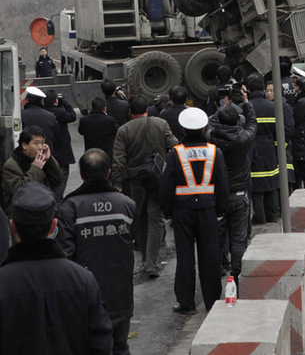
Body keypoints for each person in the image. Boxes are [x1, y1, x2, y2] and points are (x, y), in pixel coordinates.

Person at [0, 182, 113, 354]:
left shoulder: (3, 282)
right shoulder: (82, 280)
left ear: (13, 227)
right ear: (53, 226)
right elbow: (101, 344)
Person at [57, 149, 136, 355]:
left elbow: (65, 254)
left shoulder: (70, 207)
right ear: (109, 172)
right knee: (120, 346)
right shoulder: (126, 205)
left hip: (84, 296)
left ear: (81, 174)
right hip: (121, 293)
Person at [160, 107, 229, 314]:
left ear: (182, 130)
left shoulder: (175, 154)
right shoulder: (214, 151)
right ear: (205, 128)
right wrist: (221, 209)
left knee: (185, 256)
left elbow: (166, 185)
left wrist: (167, 210)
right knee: (210, 255)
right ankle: (212, 300)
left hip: (182, 211)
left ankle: (186, 302)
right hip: (208, 209)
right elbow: (222, 182)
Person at [112, 95, 177, 278]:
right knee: (156, 219)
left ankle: (143, 259)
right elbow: (175, 145)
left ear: (130, 112)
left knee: (140, 218)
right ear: (147, 110)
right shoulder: (160, 123)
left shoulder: (123, 130)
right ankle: (151, 263)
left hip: (135, 180)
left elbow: (118, 160)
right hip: (158, 178)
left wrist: (117, 183)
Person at [208, 86, 257, 287]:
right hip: (240, 194)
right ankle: (237, 274)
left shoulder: (211, 138)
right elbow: (253, 122)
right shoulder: (244, 138)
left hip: (218, 196)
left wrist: (224, 107)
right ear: (238, 122)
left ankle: (218, 267)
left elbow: (209, 123)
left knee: (218, 237)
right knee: (239, 239)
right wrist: (245, 101)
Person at [2, 126, 63, 214]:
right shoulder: (12, 165)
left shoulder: (42, 160)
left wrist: (49, 160)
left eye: (42, 143)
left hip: (45, 210)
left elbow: (58, 180)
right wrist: (36, 168)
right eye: (36, 143)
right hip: (22, 214)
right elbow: (19, 190)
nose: (40, 147)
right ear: (24, 145)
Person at [247, 73, 280, 225]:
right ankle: (272, 213)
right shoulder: (273, 107)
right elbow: (278, 130)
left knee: (257, 184)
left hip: (252, 150)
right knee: (271, 180)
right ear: (262, 88)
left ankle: (259, 215)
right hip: (269, 148)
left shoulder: (246, 108)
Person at [43, 89, 76, 201]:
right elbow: (72, 115)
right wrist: (64, 102)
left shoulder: (44, 112)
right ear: (56, 101)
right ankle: (57, 200)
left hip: (49, 152)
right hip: (62, 153)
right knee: (62, 178)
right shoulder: (60, 113)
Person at [265, 80, 296, 193]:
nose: (269, 93)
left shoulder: (284, 107)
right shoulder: (269, 107)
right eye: (267, 91)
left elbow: (289, 127)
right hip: (272, 149)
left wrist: (281, 144)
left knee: (285, 177)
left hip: (283, 147)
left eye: (272, 91)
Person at [21, 86, 60, 153]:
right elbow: (57, 137)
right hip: (46, 153)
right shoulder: (50, 116)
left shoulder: (22, 115)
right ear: (41, 100)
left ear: (27, 99)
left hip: (28, 153)